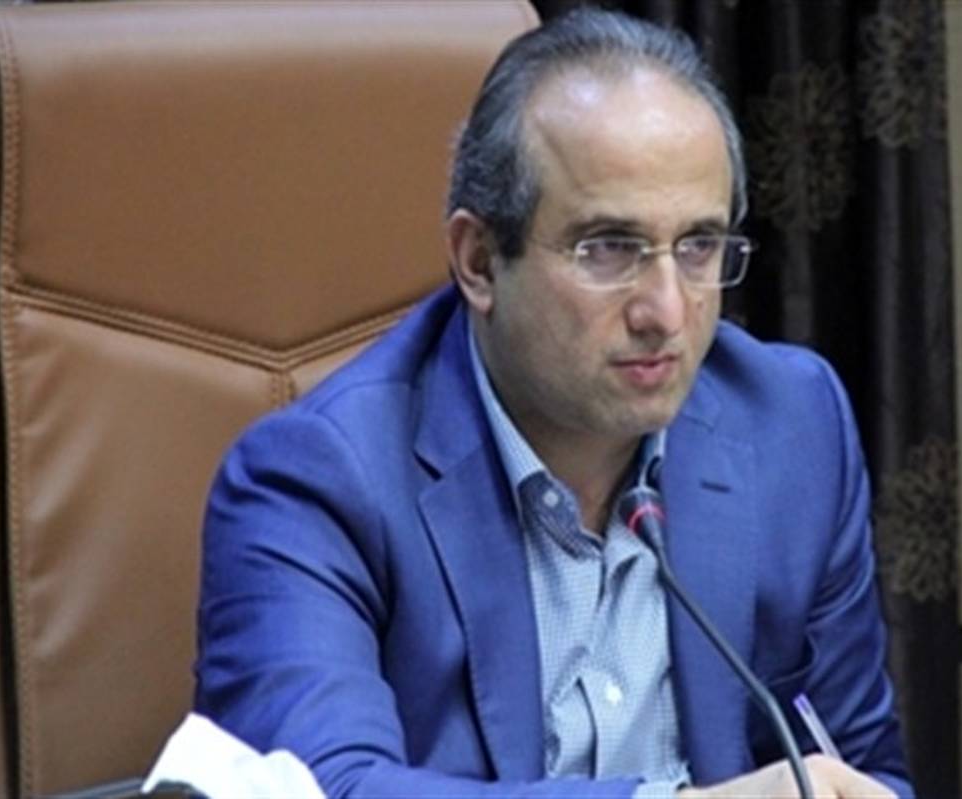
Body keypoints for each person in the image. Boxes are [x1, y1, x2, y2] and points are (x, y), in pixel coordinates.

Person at [193, 8, 911, 798]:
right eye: (609, 248)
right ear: (478, 261)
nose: (667, 311)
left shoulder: (791, 424)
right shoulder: (316, 480)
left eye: (699, 246)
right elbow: (324, 787)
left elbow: (858, 763)